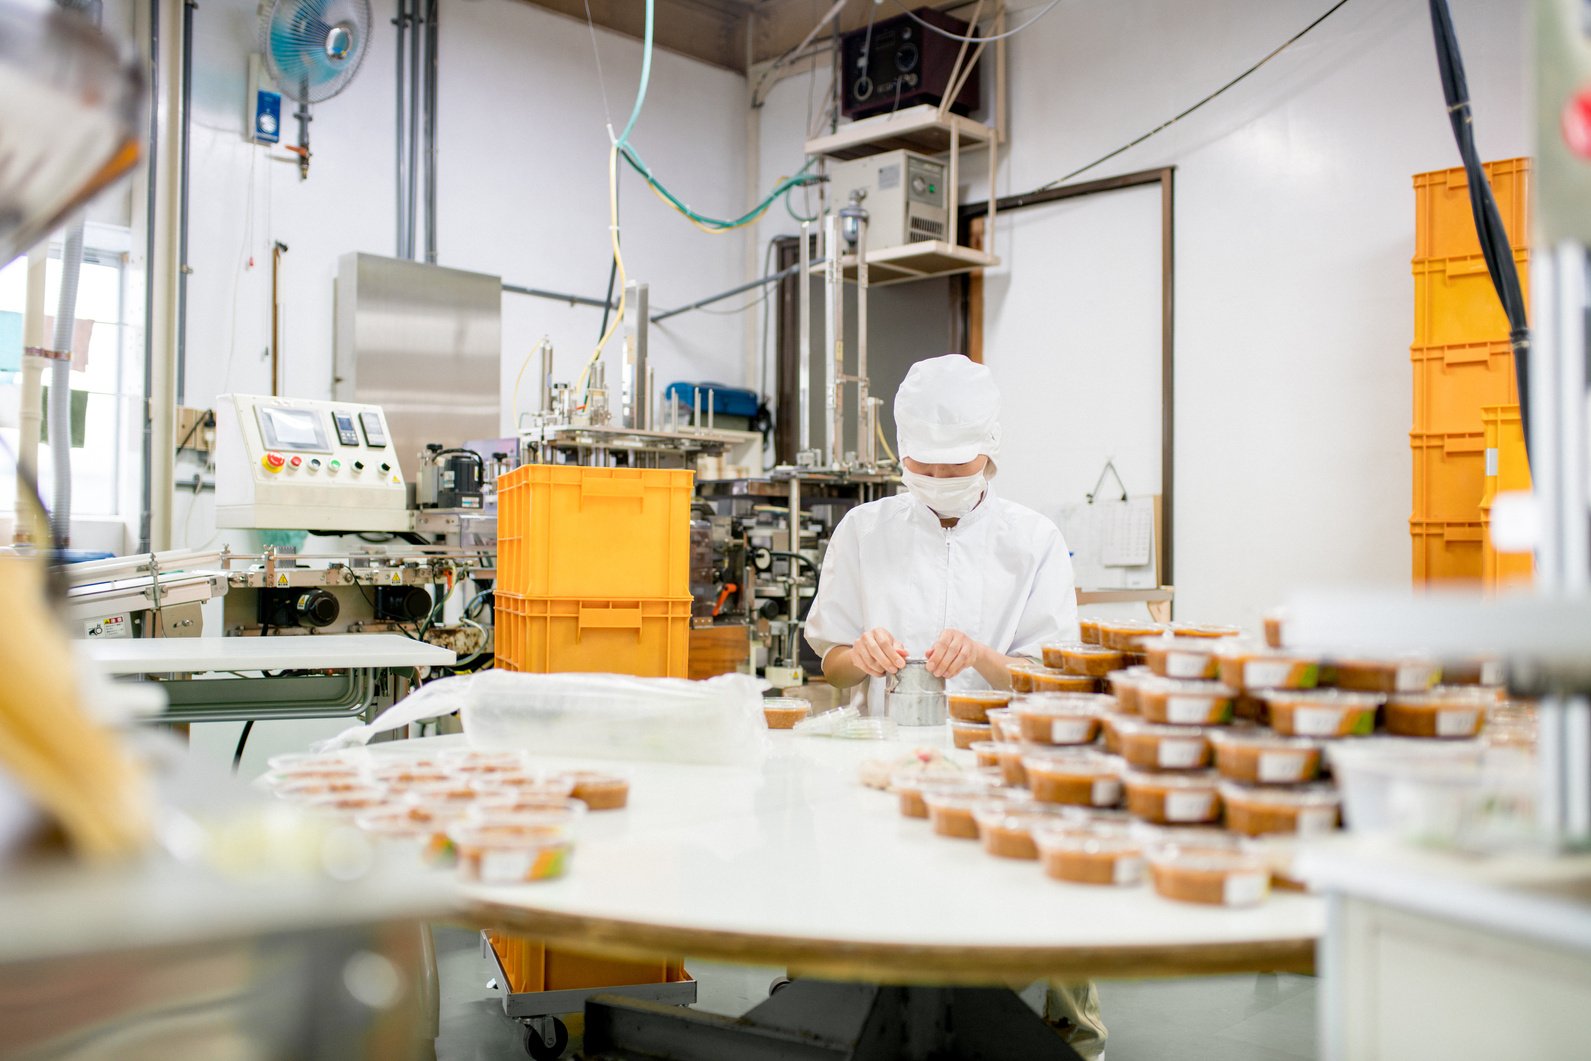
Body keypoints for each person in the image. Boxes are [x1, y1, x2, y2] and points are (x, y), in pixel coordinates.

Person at [803, 354, 1104, 1057]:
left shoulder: (1030, 541)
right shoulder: (863, 533)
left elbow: (1048, 672)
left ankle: (1072, 1034)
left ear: (988, 454)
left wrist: (980, 656)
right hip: (886, 753)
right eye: (923, 467)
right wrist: (862, 652)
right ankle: (847, 1025)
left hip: (993, 752)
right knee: (864, 895)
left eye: (953, 468)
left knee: (1044, 894)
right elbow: (831, 656)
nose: (937, 481)